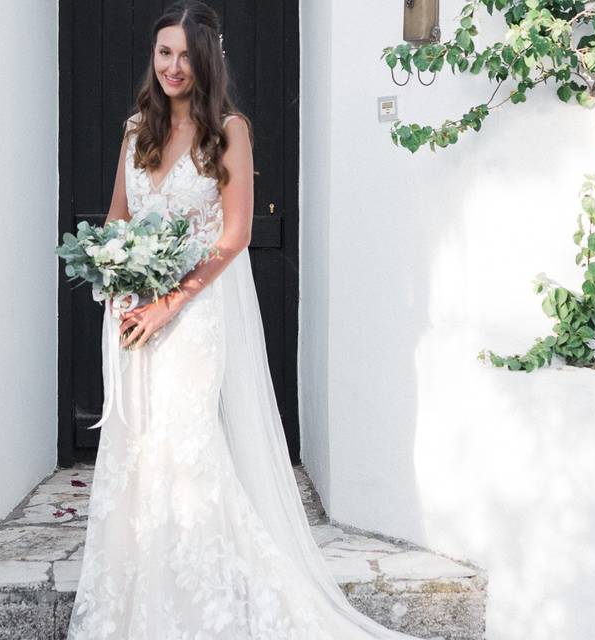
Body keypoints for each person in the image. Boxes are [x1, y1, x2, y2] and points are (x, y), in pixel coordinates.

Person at [67, 2, 418, 638]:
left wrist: (170, 301)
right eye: (164, 53)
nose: (173, 67)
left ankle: (205, 610)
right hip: (132, 319)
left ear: (208, 59)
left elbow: (233, 236)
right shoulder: (134, 132)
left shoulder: (228, 131)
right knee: (138, 456)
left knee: (188, 454)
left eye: (185, 55)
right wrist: (120, 282)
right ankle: (138, 608)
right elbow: (118, 217)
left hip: (193, 318)